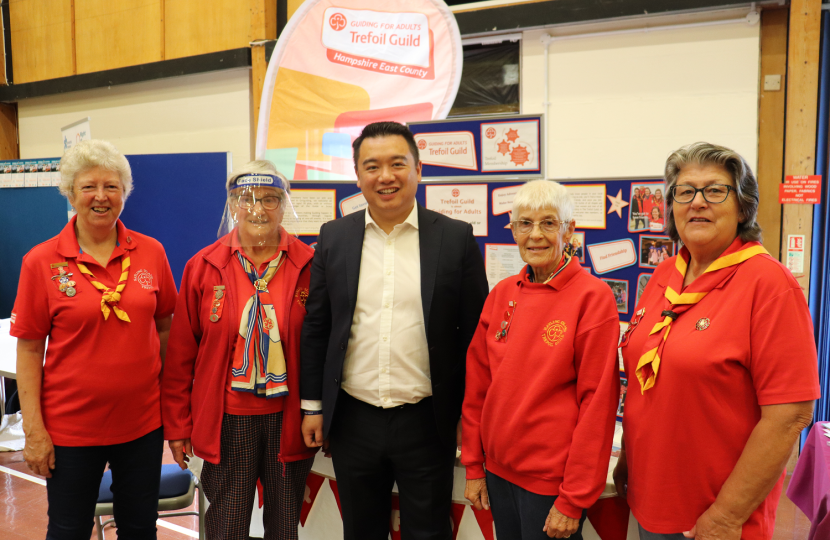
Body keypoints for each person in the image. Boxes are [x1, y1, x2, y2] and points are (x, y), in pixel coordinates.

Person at [613, 142, 819, 540]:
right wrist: (628, 459)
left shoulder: (769, 285)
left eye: (715, 190)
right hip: (650, 499)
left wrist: (726, 516)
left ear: (742, 208)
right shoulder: (664, 275)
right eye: (685, 191)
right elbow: (649, 386)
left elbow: (790, 415)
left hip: (714, 518)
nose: (697, 202)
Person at [300, 121, 489, 540]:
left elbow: (476, 336)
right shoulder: (334, 237)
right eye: (372, 166)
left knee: (429, 532)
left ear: (418, 170)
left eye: (397, 164)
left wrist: (469, 415)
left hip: (428, 421)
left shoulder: (455, 238)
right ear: (358, 176)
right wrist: (312, 406)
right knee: (361, 532)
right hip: (353, 420)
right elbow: (317, 326)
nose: (385, 176)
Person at [10, 139, 177, 539]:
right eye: (89, 187)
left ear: (124, 193)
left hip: (141, 426)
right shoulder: (41, 261)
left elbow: (166, 329)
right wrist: (34, 431)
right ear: (70, 193)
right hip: (70, 431)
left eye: (111, 186)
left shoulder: (151, 252)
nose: (101, 196)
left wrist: (172, 410)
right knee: (68, 530)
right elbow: (29, 350)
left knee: (140, 529)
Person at [161, 161, 316, 539]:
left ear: (284, 205)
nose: (258, 209)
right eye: (247, 199)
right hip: (225, 421)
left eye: (270, 199)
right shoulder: (203, 266)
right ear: (232, 205)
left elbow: (324, 347)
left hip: (289, 421)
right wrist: (178, 426)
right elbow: (180, 356)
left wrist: (321, 411)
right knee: (226, 528)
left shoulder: (310, 265)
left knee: (285, 528)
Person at [462, 179, 620, 540]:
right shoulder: (502, 293)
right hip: (497, 473)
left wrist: (574, 498)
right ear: (513, 230)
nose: (535, 235)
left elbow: (597, 404)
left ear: (569, 230)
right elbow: (477, 386)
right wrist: (473, 463)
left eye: (549, 223)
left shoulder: (592, 297)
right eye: (525, 224)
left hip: (551, 484)